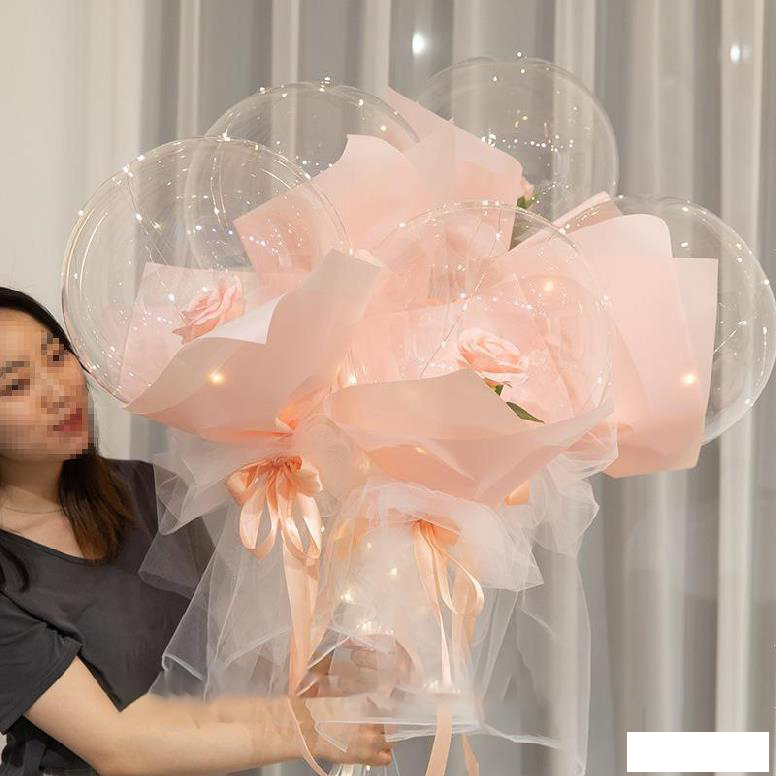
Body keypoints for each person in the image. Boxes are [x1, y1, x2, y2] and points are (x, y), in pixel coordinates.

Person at [0, 288, 392, 775]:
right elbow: (117, 748)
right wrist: (308, 729)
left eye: (56, 357)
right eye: (16, 385)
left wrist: (343, 675)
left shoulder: (144, 491)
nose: (58, 391)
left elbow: (220, 681)